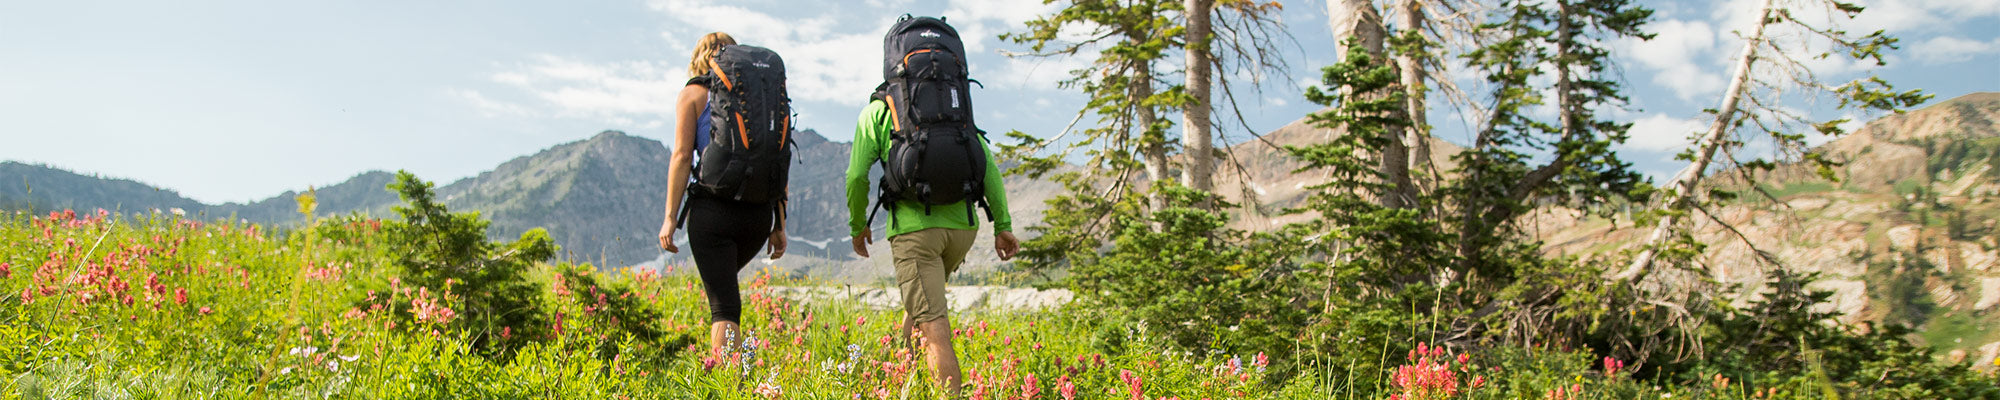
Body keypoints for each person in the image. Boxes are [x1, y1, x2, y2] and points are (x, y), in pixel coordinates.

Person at [847, 16, 1020, 395]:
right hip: (963, 228)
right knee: (921, 303)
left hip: (915, 232)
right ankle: (902, 378)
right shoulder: (957, 105)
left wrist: (857, 224)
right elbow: (987, 163)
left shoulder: (879, 111)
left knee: (936, 328)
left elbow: (856, 176)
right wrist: (1003, 224)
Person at [658, 32, 790, 355]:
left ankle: (727, 385)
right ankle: (737, 372)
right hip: (758, 217)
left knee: (724, 308)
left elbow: (681, 156)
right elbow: (778, 155)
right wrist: (779, 225)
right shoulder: (760, 97)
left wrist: (670, 218)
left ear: (698, 60)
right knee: (725, 293)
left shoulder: (692, 94)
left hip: (714, 213)